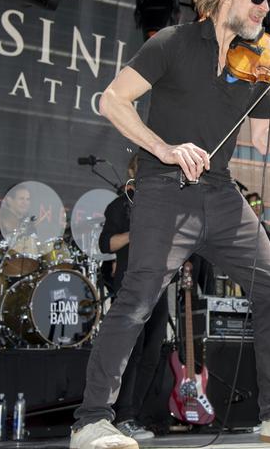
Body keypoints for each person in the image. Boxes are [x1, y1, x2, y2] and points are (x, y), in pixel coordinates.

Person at [70, 0, 270, 449]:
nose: (265, 7)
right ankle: (92, 420)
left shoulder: (261, 67)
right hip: (166, 189)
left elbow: (264, 141)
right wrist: (164, 147)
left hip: (222, 195)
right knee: (137, 300)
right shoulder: (173, 42)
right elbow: (112, 100)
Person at [98, 154, 166, 442]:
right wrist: (134, 233)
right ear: (133, 171)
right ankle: (122, 415)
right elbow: (106, 243)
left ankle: (135, 414)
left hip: (159, 284)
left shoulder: (165, 205)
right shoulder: (120, 205)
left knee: (152, 353)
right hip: (130, 284)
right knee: (131, 353)